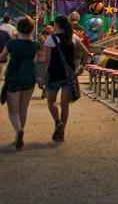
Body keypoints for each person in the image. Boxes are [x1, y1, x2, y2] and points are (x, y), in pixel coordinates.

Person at [40, 14, 89, 142]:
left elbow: (47, 61)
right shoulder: (73, 37)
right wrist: (82, 67)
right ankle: (62, 132)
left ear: (56, 25)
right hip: (69, 75)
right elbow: (86, 52)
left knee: (51, 102)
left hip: (54, 74)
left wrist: (43, 77)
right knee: (65, 104)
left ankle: (57, 122)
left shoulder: (51, 40)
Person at [0, 16, 41, 149]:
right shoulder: (35, 45)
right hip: (29, 76)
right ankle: (20, 131)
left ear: (18, 28)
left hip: (14, 75)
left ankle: (18, 130)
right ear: (31, 30)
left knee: (13, 110)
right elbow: (35, 60)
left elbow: (2, 56)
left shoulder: (12, 44)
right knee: (23, 108)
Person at [35, 25, 54, 98]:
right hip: (50, 59)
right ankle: (45, 89)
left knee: (38, 76)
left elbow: (36, 50)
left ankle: (43, 87)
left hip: (40, 59)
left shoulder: (39, 39)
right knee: (47, 76)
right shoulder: (52, 39)